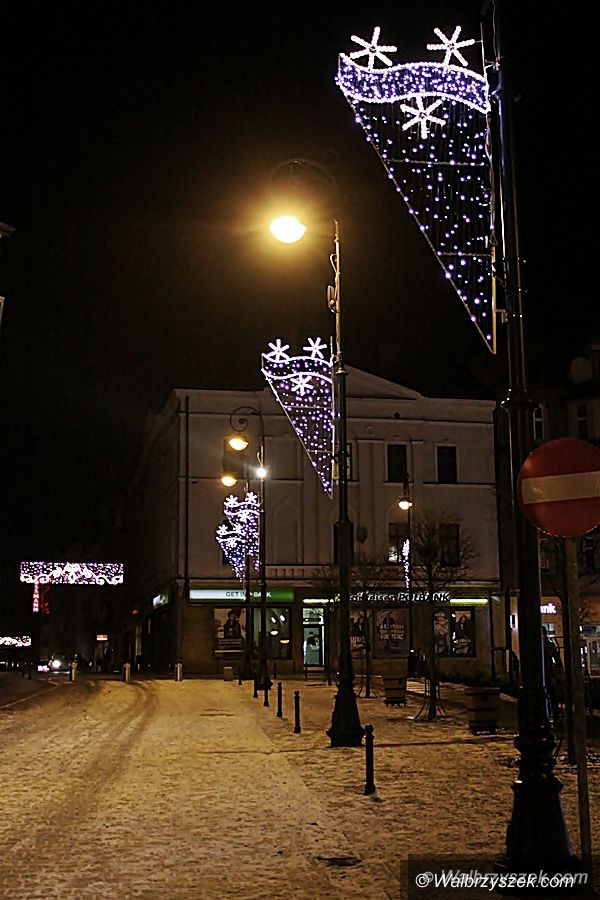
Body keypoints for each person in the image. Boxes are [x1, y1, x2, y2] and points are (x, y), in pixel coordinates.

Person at [542, 626, 563, 722]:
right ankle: (554, 712)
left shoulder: (546, 645)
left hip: (546, 672)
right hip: (548, 672)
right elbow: (557, 658)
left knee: (550, 692)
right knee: (551, 692)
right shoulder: (549, 644)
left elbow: (556, 658)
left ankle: (552, 712)